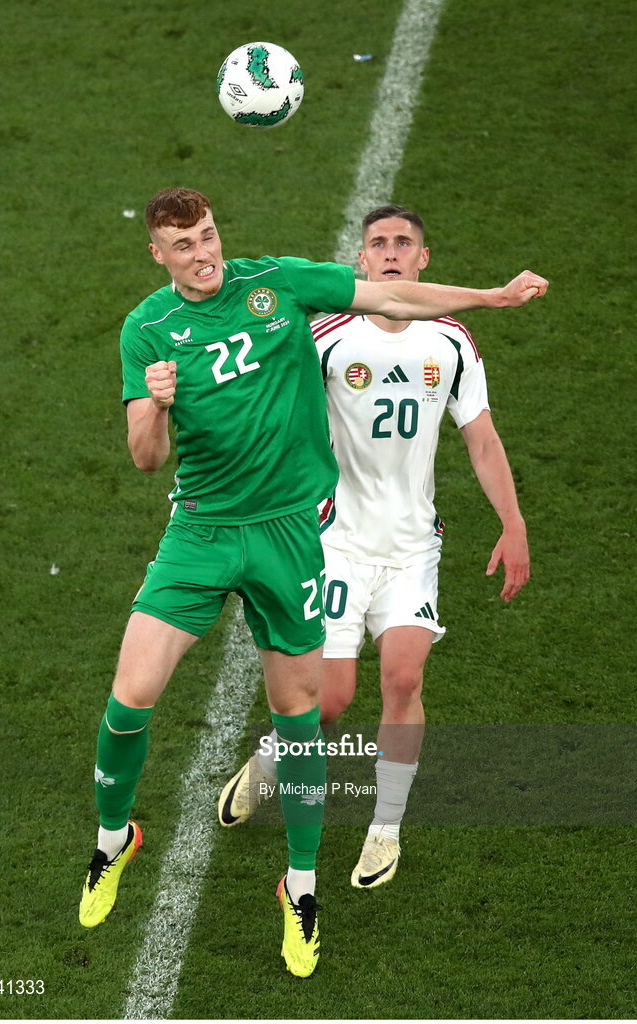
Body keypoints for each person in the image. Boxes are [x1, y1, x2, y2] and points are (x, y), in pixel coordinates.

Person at [79, 187, 548, 978]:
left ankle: (298, 891)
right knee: (129, 697)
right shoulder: (145, 329)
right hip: (198, 531)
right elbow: (145, 456)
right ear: (157, 254)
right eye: (184, 245)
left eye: (208, 235)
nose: (204, 254)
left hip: (292, 538)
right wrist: (155, 407)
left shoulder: (277, 286)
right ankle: (111, 841)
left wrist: (492, 297)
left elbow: (395, 294)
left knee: (302, 714)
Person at [218, 204, 532, 892]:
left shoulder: (451, 343)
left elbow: (480, 439)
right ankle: (272, 757)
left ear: (422, 259)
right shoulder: (326, 334)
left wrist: (512, 524)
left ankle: (384, 827)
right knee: (328, 702)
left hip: (410, 548)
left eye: (403, 243)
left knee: (403, 680)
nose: (389, 252)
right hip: (334, 546)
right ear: (360, 261)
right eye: (377, 244)